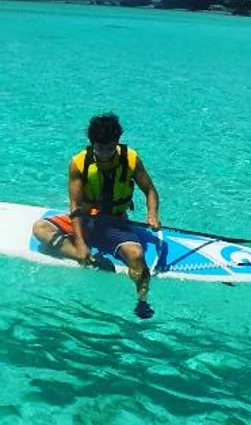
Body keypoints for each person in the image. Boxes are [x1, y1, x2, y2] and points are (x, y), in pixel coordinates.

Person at [31, 112, 161, 318]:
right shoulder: (79, 163)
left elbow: (150, 191)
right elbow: (75, 205)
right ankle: (82, 257)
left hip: (115, 223)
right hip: (86, 220)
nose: (105, 154)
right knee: (40, 228)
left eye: (110, 148)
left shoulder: (131, 159)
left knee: (136, 256)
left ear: (117, 142)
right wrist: (80, 243)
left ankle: (142, 299)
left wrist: (152, 214)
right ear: (92, 144)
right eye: (100, 148)